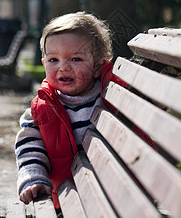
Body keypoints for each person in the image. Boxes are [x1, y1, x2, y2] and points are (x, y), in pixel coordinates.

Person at [15, 11, 155, 210]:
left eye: (76, 59)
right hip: (67, 201)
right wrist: (33, 177)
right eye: (54, 60)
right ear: (44, 63)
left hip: (119, 198)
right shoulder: (41, 110)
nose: (63, 68)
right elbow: (30, 148)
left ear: (97, 66)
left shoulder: (112, 96)